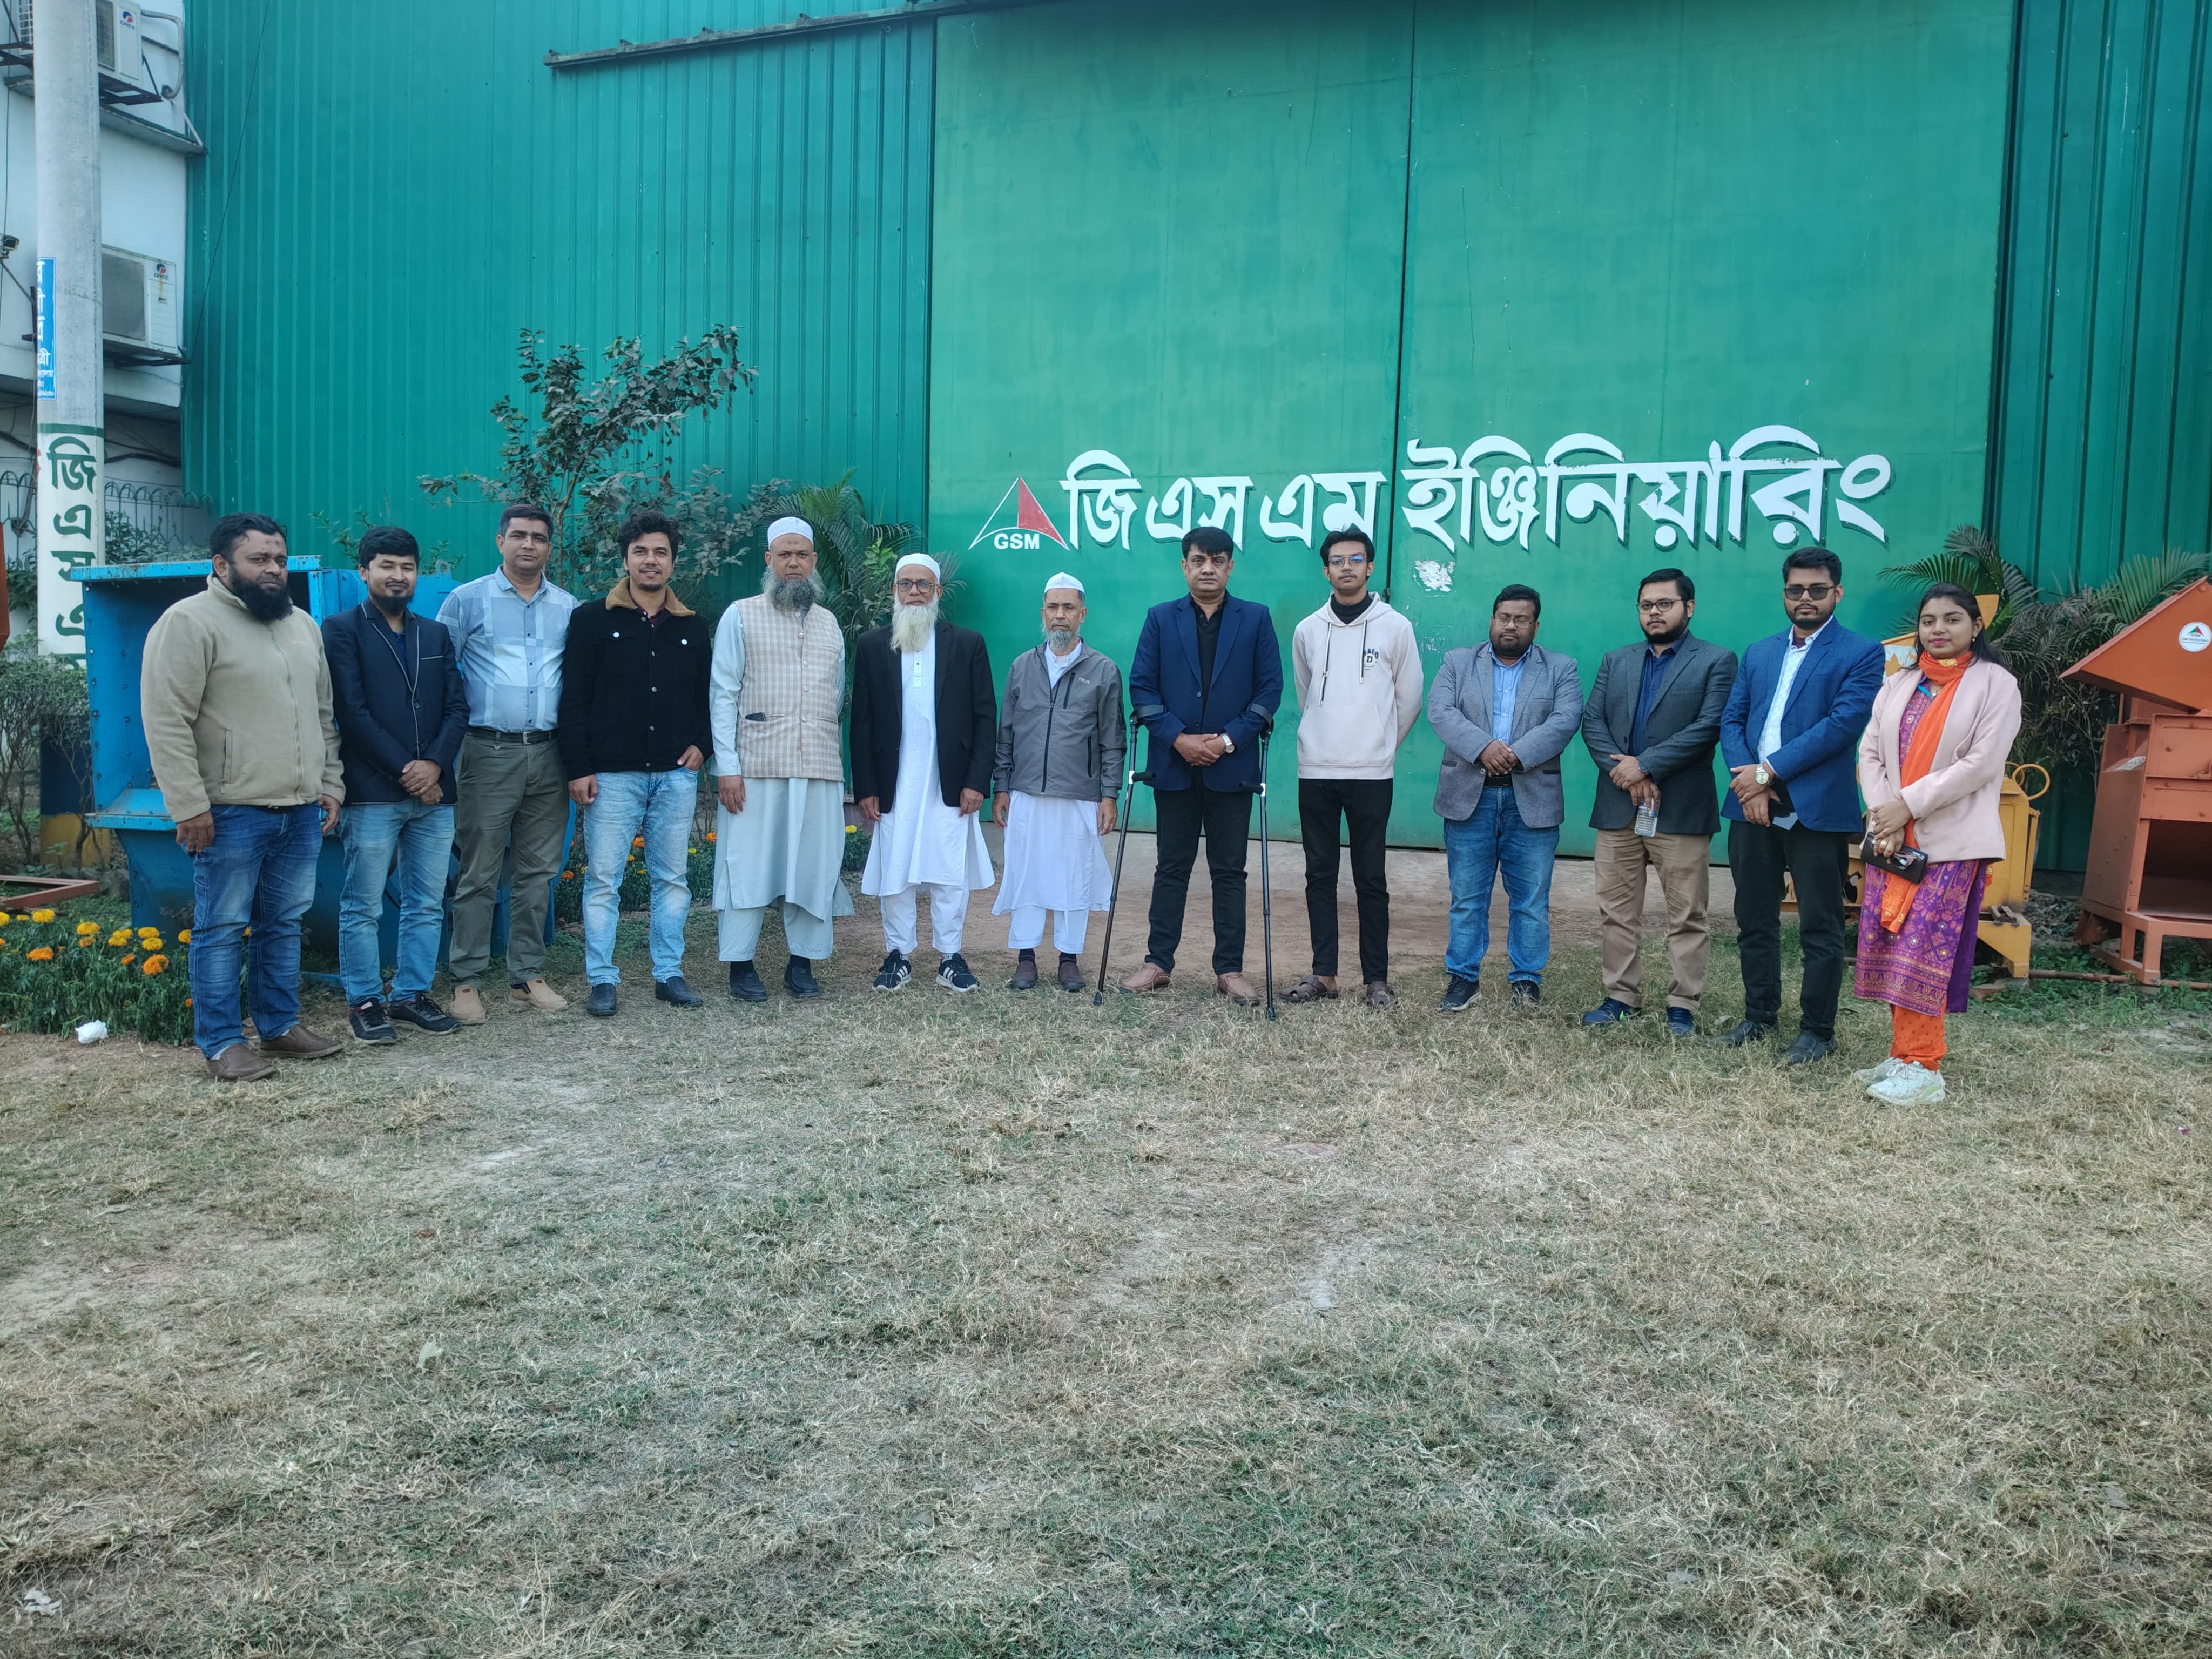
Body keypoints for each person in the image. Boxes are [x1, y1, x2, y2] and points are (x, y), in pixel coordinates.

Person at [141, 512, 345, 1081]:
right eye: (259, 559)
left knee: (283, 923)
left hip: (299, 809)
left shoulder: (301, 625)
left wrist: (330, 783)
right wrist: (189, 805)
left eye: (279, 559)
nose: (273, 569)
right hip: (229, 811)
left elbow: (323, 715)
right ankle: (222, 1044)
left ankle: (279, 1028)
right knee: (222, 928)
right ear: (222, 564)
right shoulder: (188, 622)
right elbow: (166, 720)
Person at [1853, 583, 2022, 1105]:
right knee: (1891, 946)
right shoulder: (1900, 683)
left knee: (1922, 950)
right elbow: (1870, 753)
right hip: (1892, 839)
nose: (1939, 630)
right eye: (1929, 621)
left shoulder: (1996, 685)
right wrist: (1886, 812)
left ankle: (1924, 1068)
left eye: (1952, 619)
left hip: (1951, 842)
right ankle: (1903, 1054)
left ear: (1976, 626)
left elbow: (1981, 764)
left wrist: (1908, 805)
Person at [1716, 549, 1885, 1064]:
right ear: (1785, 593)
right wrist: (1751, 784)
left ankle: (1817, 1031)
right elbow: (1732, 721)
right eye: (1796, 590)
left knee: (1820, 924)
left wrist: (1766, 774)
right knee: (1754, 918)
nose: (1805, 598)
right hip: (1752, 806)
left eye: (1817, 589)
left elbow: (1841, 726)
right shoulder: (1759, 652)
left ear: (1838, 593)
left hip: (1816, 807)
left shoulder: (1861, 652)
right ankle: (1759, 1016)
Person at [557, 511, 713, 1016]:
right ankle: (602, 979)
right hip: (611, 776)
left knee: (672, 879)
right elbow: (573, 699)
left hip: (675, 775)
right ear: (625, 559)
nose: (651, 560)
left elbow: (708, 697)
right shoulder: (591, 620)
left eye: (660, 552)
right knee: (604, 880)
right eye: (641, 551)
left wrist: (703, 745)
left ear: (673, 561)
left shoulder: (692, 626)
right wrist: (578, 767)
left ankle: (669, 973)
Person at [1122, 524, 1284, 1004]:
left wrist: (1229, 740)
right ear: (1184, 566)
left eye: (1217, 560)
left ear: (1230, 566)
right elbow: (1142, 687)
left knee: (1230, 871)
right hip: (1173, 766)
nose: (1207, 569)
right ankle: (1158, 963)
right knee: (1171, 867)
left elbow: (1269, 691)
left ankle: (1229, 970)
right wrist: (1178, 738)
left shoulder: (1256, 619)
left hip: (1232, 769)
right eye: (1198, 560)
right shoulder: (1160, 618)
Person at [322, 525, 469, 1044]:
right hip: (373, 792)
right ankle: (365, 1001)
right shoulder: (341, 630)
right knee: (363, 904)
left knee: (426, 902)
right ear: (364, 571)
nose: (398, 575)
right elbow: (352, 713)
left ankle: (411, 995)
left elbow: (457, 707)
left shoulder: (435, 634)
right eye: (387, 566)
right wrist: (410, 771)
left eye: (407, 567)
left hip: (435, 795)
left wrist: (435, 767)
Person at [1579, 568, 1738, 1035]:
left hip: (1681, 807)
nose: (1654, 612)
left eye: (1665, 604)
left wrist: (1646, 765)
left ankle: (1683, 1004)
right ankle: (1621, 995)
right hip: (1618, 806)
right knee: (1616, 910)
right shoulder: (1617, 660)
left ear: (1689, 607)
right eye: (1647, 605)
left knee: (1687, 913)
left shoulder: (1717, 660)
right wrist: (1625, 773)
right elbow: (1593, 722)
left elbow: (1709, 726)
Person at [436, 503, 579, 1023]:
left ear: (549, 547)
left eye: (538, 538)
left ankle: (527, 975)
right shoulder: (466, 600)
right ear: (501, 542)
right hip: (488, 751)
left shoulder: (567, 607)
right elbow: (440, 673)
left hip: (550, 753)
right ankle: (467, 979)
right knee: (479, 870)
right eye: (518, 536)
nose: (528, 545)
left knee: (538, 871)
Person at [709, 517, 853, 1002]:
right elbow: (722, 694)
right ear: (769, 560)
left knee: (813, 866)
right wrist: (727, 766)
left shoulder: (829, 623)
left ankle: (802, 964)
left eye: (802, 555)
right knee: (747, 866)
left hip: (818, 767)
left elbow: (835, 696)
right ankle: (741, 966)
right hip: (755, 766)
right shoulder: (740, 615)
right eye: (785, 555)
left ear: (814, 562)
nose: (794, 563)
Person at [1284, 527, 1424, 1009]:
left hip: (1371, 774)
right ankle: (1324, 974)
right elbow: (1306, 694)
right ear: (1326, 571)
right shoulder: (1307, 630)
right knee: (1319, 875)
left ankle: (1376, 980)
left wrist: (1380, 746)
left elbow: (1410, 699)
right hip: (1317, 770)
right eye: (1338, 561)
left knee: (1371, 879)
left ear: (1370, 567)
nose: (1347, 567)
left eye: (1356, 559)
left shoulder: (1395, 627)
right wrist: (1322, 737)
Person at [1426, 584, 1583, 1012]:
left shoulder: (1561, 668)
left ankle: (1526, 981)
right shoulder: (1458, 662)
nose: (1511, 625)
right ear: (1492, 620)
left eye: (1521, 619)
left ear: (1536, 626)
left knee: (1531, 901)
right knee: (1467, 899)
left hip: (1531, 799)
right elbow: (1441, 711)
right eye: (1504, 617)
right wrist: (1483, 747)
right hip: (1469, 798)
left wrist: (1516, 754)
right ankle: (1463, 978)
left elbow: (1566, 719)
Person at [853, 552, 999, 992]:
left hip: (949, 781)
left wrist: (977, 782)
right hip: (893, 782)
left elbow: (985, 717)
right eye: (906, 584)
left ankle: (950, 957)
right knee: (895, 869)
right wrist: (866, 787)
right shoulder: (872, 645)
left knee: (948, 869)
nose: (914, 592)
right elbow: (861, 722)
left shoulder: (968, 643)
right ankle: (898, 954)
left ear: (938, 592)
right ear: (894, 591)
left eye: (923, 585)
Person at [992, 572, 1124, 992]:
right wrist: (1001, 786)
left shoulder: (1103, 670)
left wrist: (1109, 795)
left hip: (1079, 795)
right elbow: (1006, 733)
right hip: (1026, 791)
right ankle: (1026, 958)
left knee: (1074, 875)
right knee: (1025, 873)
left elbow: (1112, 740)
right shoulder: (1022, 666)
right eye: (1053, 607)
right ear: (1043, 614)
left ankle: (1069, 959)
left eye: (1069, 607)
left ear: (1083, 614)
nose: (1061, 615)